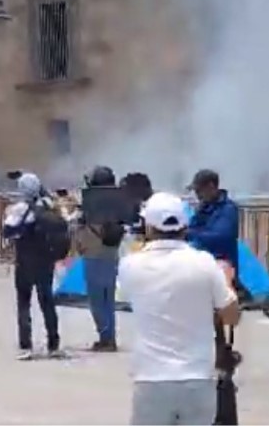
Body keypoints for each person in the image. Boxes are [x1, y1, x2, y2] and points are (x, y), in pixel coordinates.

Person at [121, 192, 239, 425]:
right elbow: (231, 316)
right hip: (197, 376)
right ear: (184, 226)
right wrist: (226, 282)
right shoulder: (205, 263)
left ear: (148, 227)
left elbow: (128, 295)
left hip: (150, 377)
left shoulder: (130, 265)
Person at [1, 171, 66, 360]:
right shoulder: (48, 205)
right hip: (46, 261)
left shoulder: (20, 209)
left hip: (25, 261)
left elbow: (7, 232)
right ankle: (53, 344)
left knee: (24, 303)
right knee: (47, 303)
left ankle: (26, 345)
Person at [71, 165, 122, 352]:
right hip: (112, 254)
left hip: (93, 254)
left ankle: (105, 337)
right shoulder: (118, 203)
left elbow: (75, 222)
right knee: (109, 299)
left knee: (96, 300)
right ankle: (110, 337)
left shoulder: (89, 204)